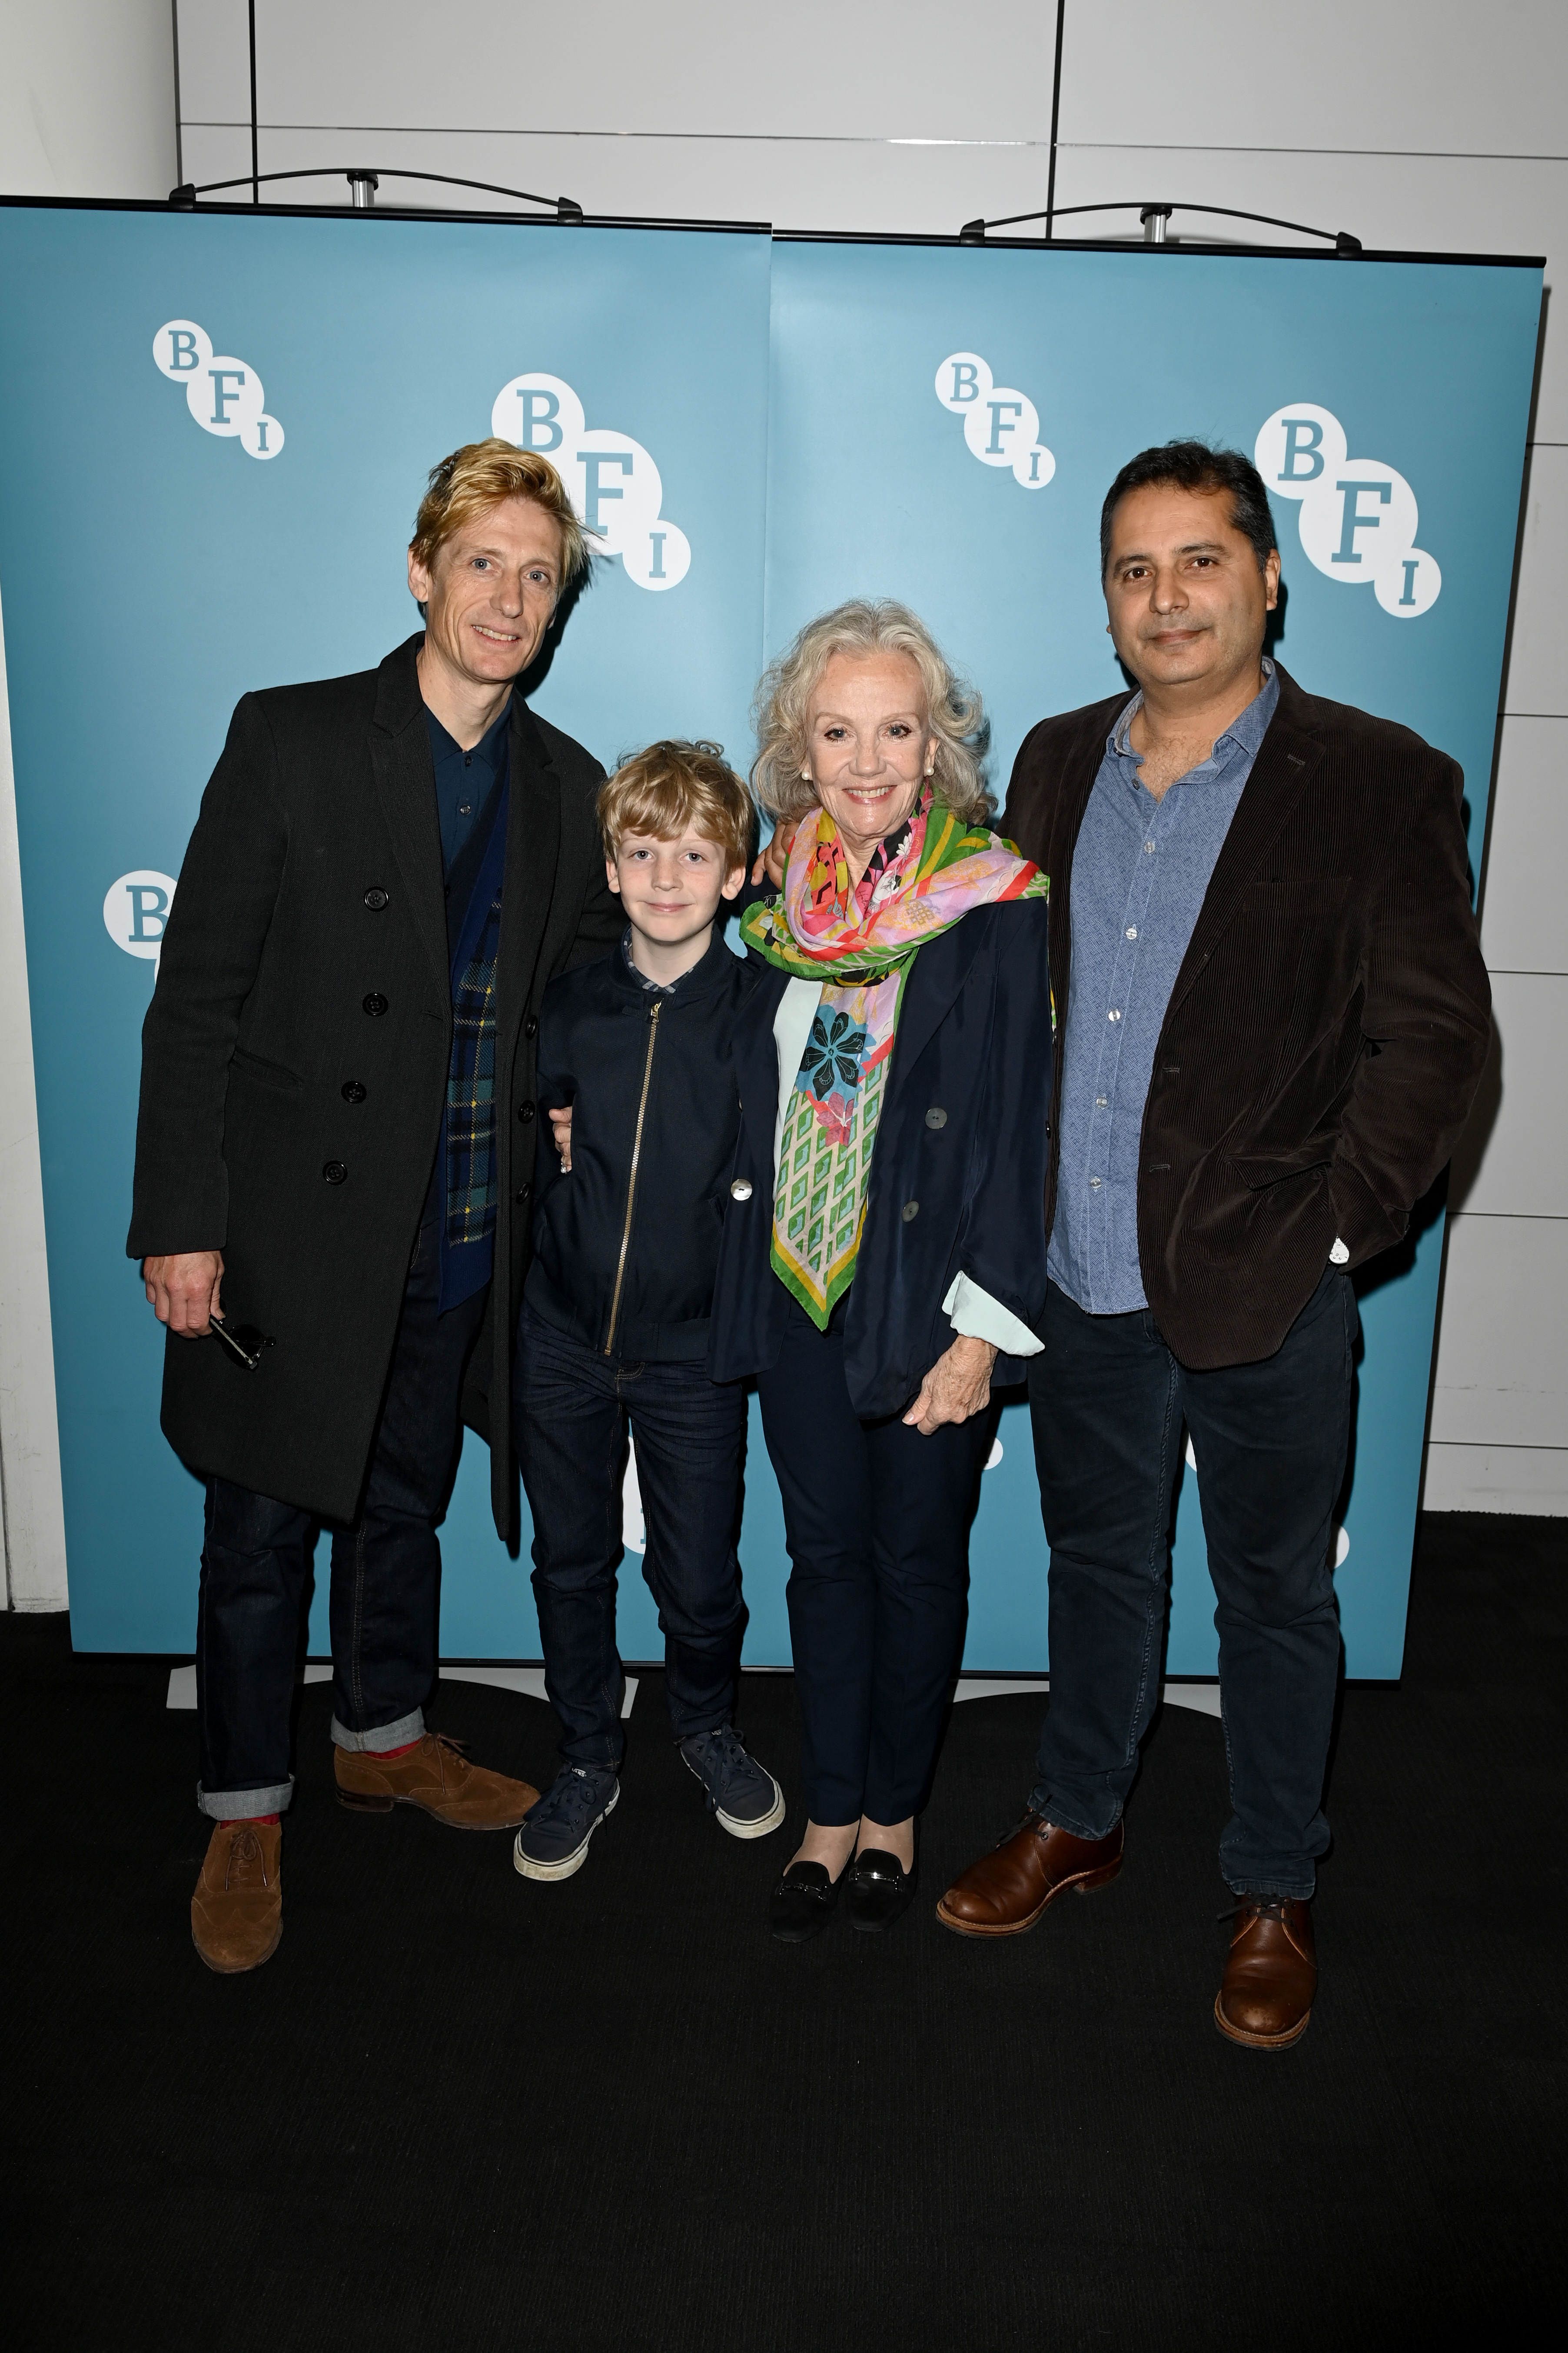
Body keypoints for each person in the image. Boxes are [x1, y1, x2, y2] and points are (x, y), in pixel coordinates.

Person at [936, 441, 1491, 2047]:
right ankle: (1079, 1816)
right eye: (1133, 569)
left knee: (1274, 1598)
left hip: (1269, 1281)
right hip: (1080, 1273)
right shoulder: (1047, 763)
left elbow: (1436, 1046)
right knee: (1100, 1567)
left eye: (1197, 562)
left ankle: (1269, 1882)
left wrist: (1337, 1234)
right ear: (1106, 600)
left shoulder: (1384, 780)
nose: (1164, 598)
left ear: (1266, 581)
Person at [130, 439, 624, 1974]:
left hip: (466, 1220)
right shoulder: (290, 739)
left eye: (539, 574)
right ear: (422, 572)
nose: (509, 596)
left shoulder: (569, 785)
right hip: (289, 1226)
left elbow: (577, 995)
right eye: (483, 562)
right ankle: (245, 1802)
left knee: (401, 1494)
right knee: (263, 1522)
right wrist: (179, 1218)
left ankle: (385, 1732)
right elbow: (195, 996)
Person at [709, 600, 1051, 1943]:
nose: (865, 760)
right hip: (798, 1288)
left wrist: (980, 1339)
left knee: (918, 1562)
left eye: (894, 730)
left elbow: (1023, 1120)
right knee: (820, 1558)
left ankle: (896, 1812)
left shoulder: (995, 902)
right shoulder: (765, 906)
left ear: (937, 747)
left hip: (930, 1304)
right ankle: (830, 1801)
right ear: (800, 746)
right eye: (837, 730)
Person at [512, 741, 786, 1882]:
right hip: (562, 1338)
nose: (666, 875)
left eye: (694, 853)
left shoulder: (768, 1008)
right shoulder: (567, 1004)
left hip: (693, 1350)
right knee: (570, 1562)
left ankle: (709, 1726)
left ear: (735, 875)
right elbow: (529, 1136)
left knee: (700, 1571)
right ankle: (584, 1751)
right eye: (641, 850)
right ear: (611, 869)